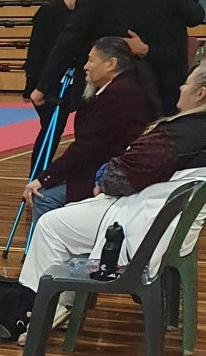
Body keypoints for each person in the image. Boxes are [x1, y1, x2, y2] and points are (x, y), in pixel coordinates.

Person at [21, 59, 206, 293]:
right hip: (165, 217)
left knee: (50, 222)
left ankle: (38, 307)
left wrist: (54, 178)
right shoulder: (136, 94)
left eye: (187, 84)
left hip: (144, 221)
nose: (86, 66)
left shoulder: (171, 128)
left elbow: (115, 171)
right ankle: (63, 300)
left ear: (200, 93)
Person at [23, 37, 154, 223]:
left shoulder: (118, 94)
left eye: (91, 60)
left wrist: (45, 178)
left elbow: (88, 146)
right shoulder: (122, 87)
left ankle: (51, 251)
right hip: (105, 165)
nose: (85, 66)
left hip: (107, 172)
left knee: (43, 197)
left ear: (111, 64)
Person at [32, 0, 204, 117]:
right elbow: (195, 15)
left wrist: (44, 85)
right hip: (158, 84)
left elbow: (69, 40)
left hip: (122, 86)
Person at [24, 0, 81, 174]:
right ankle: (38, 175)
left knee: (65, 128)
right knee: (52, 128)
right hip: (47, 81)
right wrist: (33, 85)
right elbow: (36, 50)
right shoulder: (49, 11)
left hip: (74, 79)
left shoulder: (84, 11)